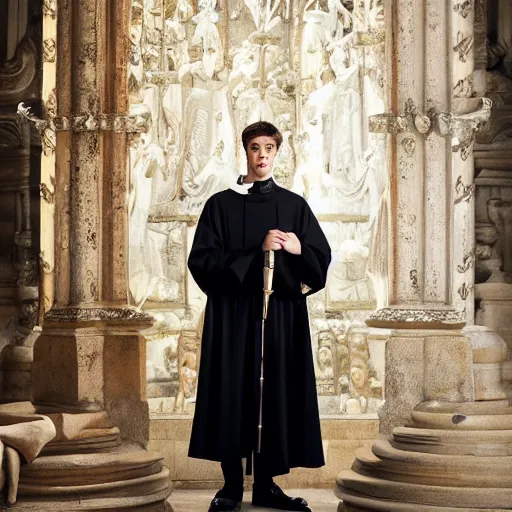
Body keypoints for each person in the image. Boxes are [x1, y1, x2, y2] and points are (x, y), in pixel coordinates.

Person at [187, 121, 332, 512]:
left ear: (278, 152)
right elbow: (201, 261)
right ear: (245, 151)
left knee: (275, 395)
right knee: (232, 390)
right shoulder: (220, 205)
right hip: (233, 318)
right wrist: (257, 254)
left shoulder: (294, 205)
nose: (262, 155)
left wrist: (300, 249)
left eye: (269, 147)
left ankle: (266, 484)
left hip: (280, 319)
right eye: (255, 147)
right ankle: (231, 485)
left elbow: (319, 262)